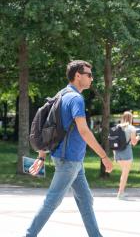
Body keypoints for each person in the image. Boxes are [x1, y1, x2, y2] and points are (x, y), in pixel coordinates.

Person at [26, 60, 113, 237]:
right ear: (78, 75)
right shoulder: (75, 98)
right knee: (52, 201)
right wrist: (103, 156)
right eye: (89, 75)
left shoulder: (61, 94)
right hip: (69, 160)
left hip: (74, 161)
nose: (92, 78)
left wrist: (42, 156)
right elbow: (83, 130)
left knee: (86, 199)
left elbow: (48, 125)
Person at [114, 111, 140, 199]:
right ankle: (120, 193)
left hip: (117, 153)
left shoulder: (117, 126)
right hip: (127, 152)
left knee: (123, 173)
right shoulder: (132, 128)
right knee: (125, 174)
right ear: (131, 118)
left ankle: (121, 192)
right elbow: (133, 142)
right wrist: (137, 138)